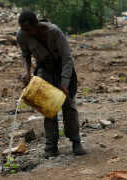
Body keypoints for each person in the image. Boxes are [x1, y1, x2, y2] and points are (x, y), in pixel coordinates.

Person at [16, 11, 86, 159]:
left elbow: (67, 59)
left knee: (68, 104)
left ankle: (76, 142)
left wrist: (65, 84)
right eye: (24, 30)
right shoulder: (21, 35)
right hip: (45, 69)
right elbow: (25, 54)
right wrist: (27, 72)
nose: (26, 33)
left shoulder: (54, 32)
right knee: (47, 106)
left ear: (36, 23)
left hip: (63, 69)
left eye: (29, 29)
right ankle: (51, 146)